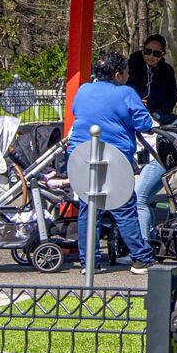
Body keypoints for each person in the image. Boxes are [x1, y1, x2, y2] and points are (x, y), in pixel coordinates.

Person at [66, 50, 157, 273]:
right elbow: (145, 124)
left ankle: (89, 261)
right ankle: (141, 258)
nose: (128, 76)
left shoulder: (83, 89)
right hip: (113, 157)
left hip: (81, 155)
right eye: (126, 73)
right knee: (124, 205)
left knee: (89, 206)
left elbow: (76, 111)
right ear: (117, 75)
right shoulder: (125, 93)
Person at [127, 34, 177, 123]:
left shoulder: (167, 70)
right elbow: (125, 90)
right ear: (143, 50)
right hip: (134, 112)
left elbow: (172, 97)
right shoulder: (131, 66)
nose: (151, 56)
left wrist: (158, 114)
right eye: (148, 51)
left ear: (162, 54)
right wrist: (136, 101)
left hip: (159, 115)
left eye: (156, 53)